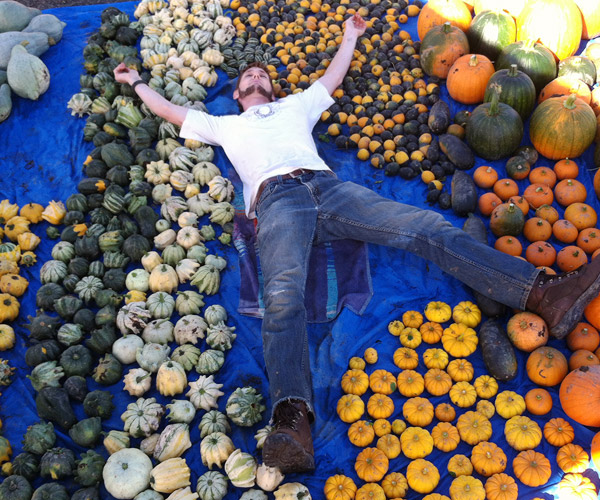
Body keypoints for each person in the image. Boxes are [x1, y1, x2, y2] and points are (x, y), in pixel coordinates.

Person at [115, 13, 600, 474]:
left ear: (272, 87)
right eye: (248, 78)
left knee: (427, 228)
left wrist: (351, 34)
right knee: (282, 297)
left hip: (329, 188)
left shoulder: (294, 106)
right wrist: (134, 81)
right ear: (238, 93)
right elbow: (170, 108)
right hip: (277, 201)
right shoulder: (226, 126)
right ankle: (293, 421)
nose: (256, 79)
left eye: (263, 75)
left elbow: (331, 79)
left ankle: (542, 293)